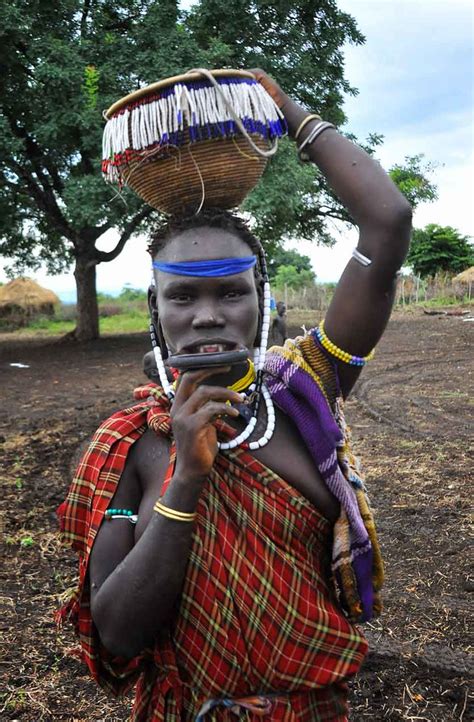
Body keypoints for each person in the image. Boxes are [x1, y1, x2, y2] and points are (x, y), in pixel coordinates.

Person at [58, 69, 412, 721]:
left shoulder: (307, 390)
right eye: (184, 296)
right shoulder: (130, 445)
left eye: (231, 292)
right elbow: (117, 631)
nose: (208, 316)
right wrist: (187, 476)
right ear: (155, 310)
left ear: (263, 301)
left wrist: (290, 109)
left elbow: (387, 223)